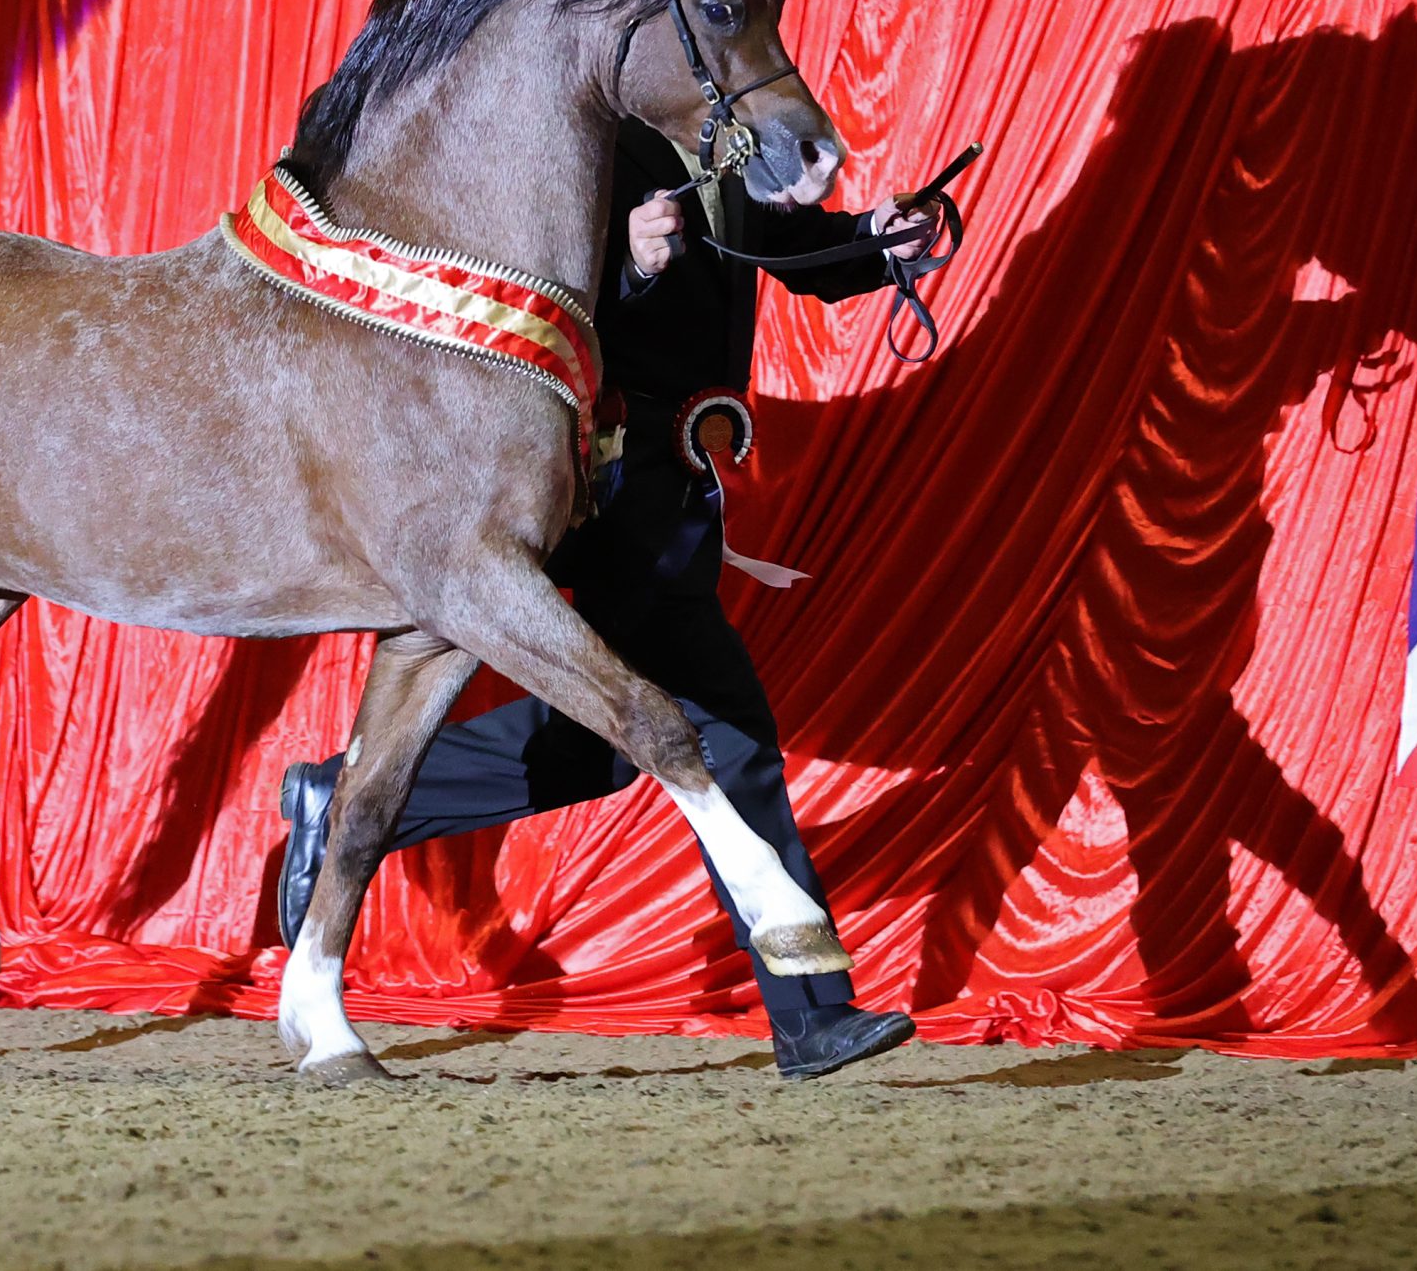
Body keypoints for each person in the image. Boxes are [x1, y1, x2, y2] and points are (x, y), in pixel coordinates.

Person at [275, 115, 940, 1079]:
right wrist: (622, 263)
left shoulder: (725, 132)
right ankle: (812, 1012)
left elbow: (785, 247)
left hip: (676, 477)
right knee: (729, 735)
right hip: (617, 472)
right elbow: (522, 292)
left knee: (591, 749)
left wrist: (874, 239)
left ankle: (346, 792)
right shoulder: (580, 131)